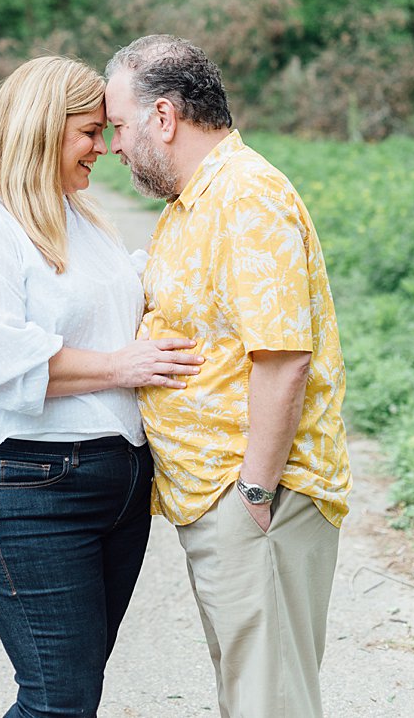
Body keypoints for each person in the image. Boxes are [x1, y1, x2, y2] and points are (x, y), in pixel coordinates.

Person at [0, 55, 204, 718]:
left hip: (120, 486)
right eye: (88, 132)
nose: (103, 149)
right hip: (28, 484)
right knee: (57, 698)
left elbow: (136, 295)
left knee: (71, 692)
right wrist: (118, 368)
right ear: (41, 129)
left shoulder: (80, 218)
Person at [102, 35, 350, 718]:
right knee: (249, 692)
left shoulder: (246, 194)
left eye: (119, 126)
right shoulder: (195, 200)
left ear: (163, 117)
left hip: (253, 497)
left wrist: (254, 489)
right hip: (220, 496)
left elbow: (284, 355)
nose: (113, 146)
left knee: (269, 701)